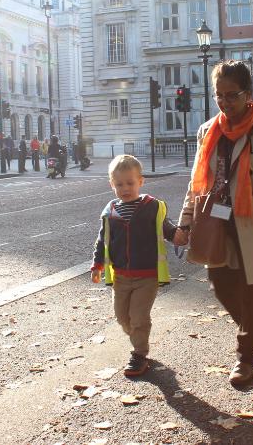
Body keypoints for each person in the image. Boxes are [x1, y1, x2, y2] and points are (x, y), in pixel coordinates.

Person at [174, 60, 253, 386]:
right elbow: (196, 184)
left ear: (248, 93)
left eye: (232, 95)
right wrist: (185, 223)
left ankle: (245, 357)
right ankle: (251, 329)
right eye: (219, 95)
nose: (226, 102)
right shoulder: (207, 130)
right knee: (219, 284)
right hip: (216, 223)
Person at [90, 155, 177, 377]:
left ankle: (139, 353)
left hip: (147, 275)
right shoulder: (110, 211)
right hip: (120, 277)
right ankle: (138, 335)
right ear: (112, 184)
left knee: (138, 317)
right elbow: (103, 240)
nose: (125, 188)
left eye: (130, 183)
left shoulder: (152, 207)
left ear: (141, 182)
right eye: (119, 184)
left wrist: (178, 235)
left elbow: (166, 229)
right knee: (122, 317)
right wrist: (97, 264)